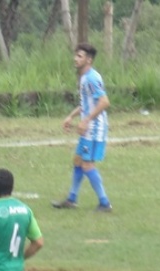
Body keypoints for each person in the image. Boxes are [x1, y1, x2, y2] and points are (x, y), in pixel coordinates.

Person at [51, 43, 112, 212]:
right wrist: (71, 116)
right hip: (89, 126)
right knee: (78, 160)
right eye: (76, 55)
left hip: (94, 128)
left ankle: (104, 203)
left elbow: (104, 102)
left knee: (87, 165)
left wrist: (86, 121)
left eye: (80, 56)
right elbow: (87, 103)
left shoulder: (91, 78)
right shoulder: (84, 77)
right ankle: (71, 199)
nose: (75, 59)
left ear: (89, 60)